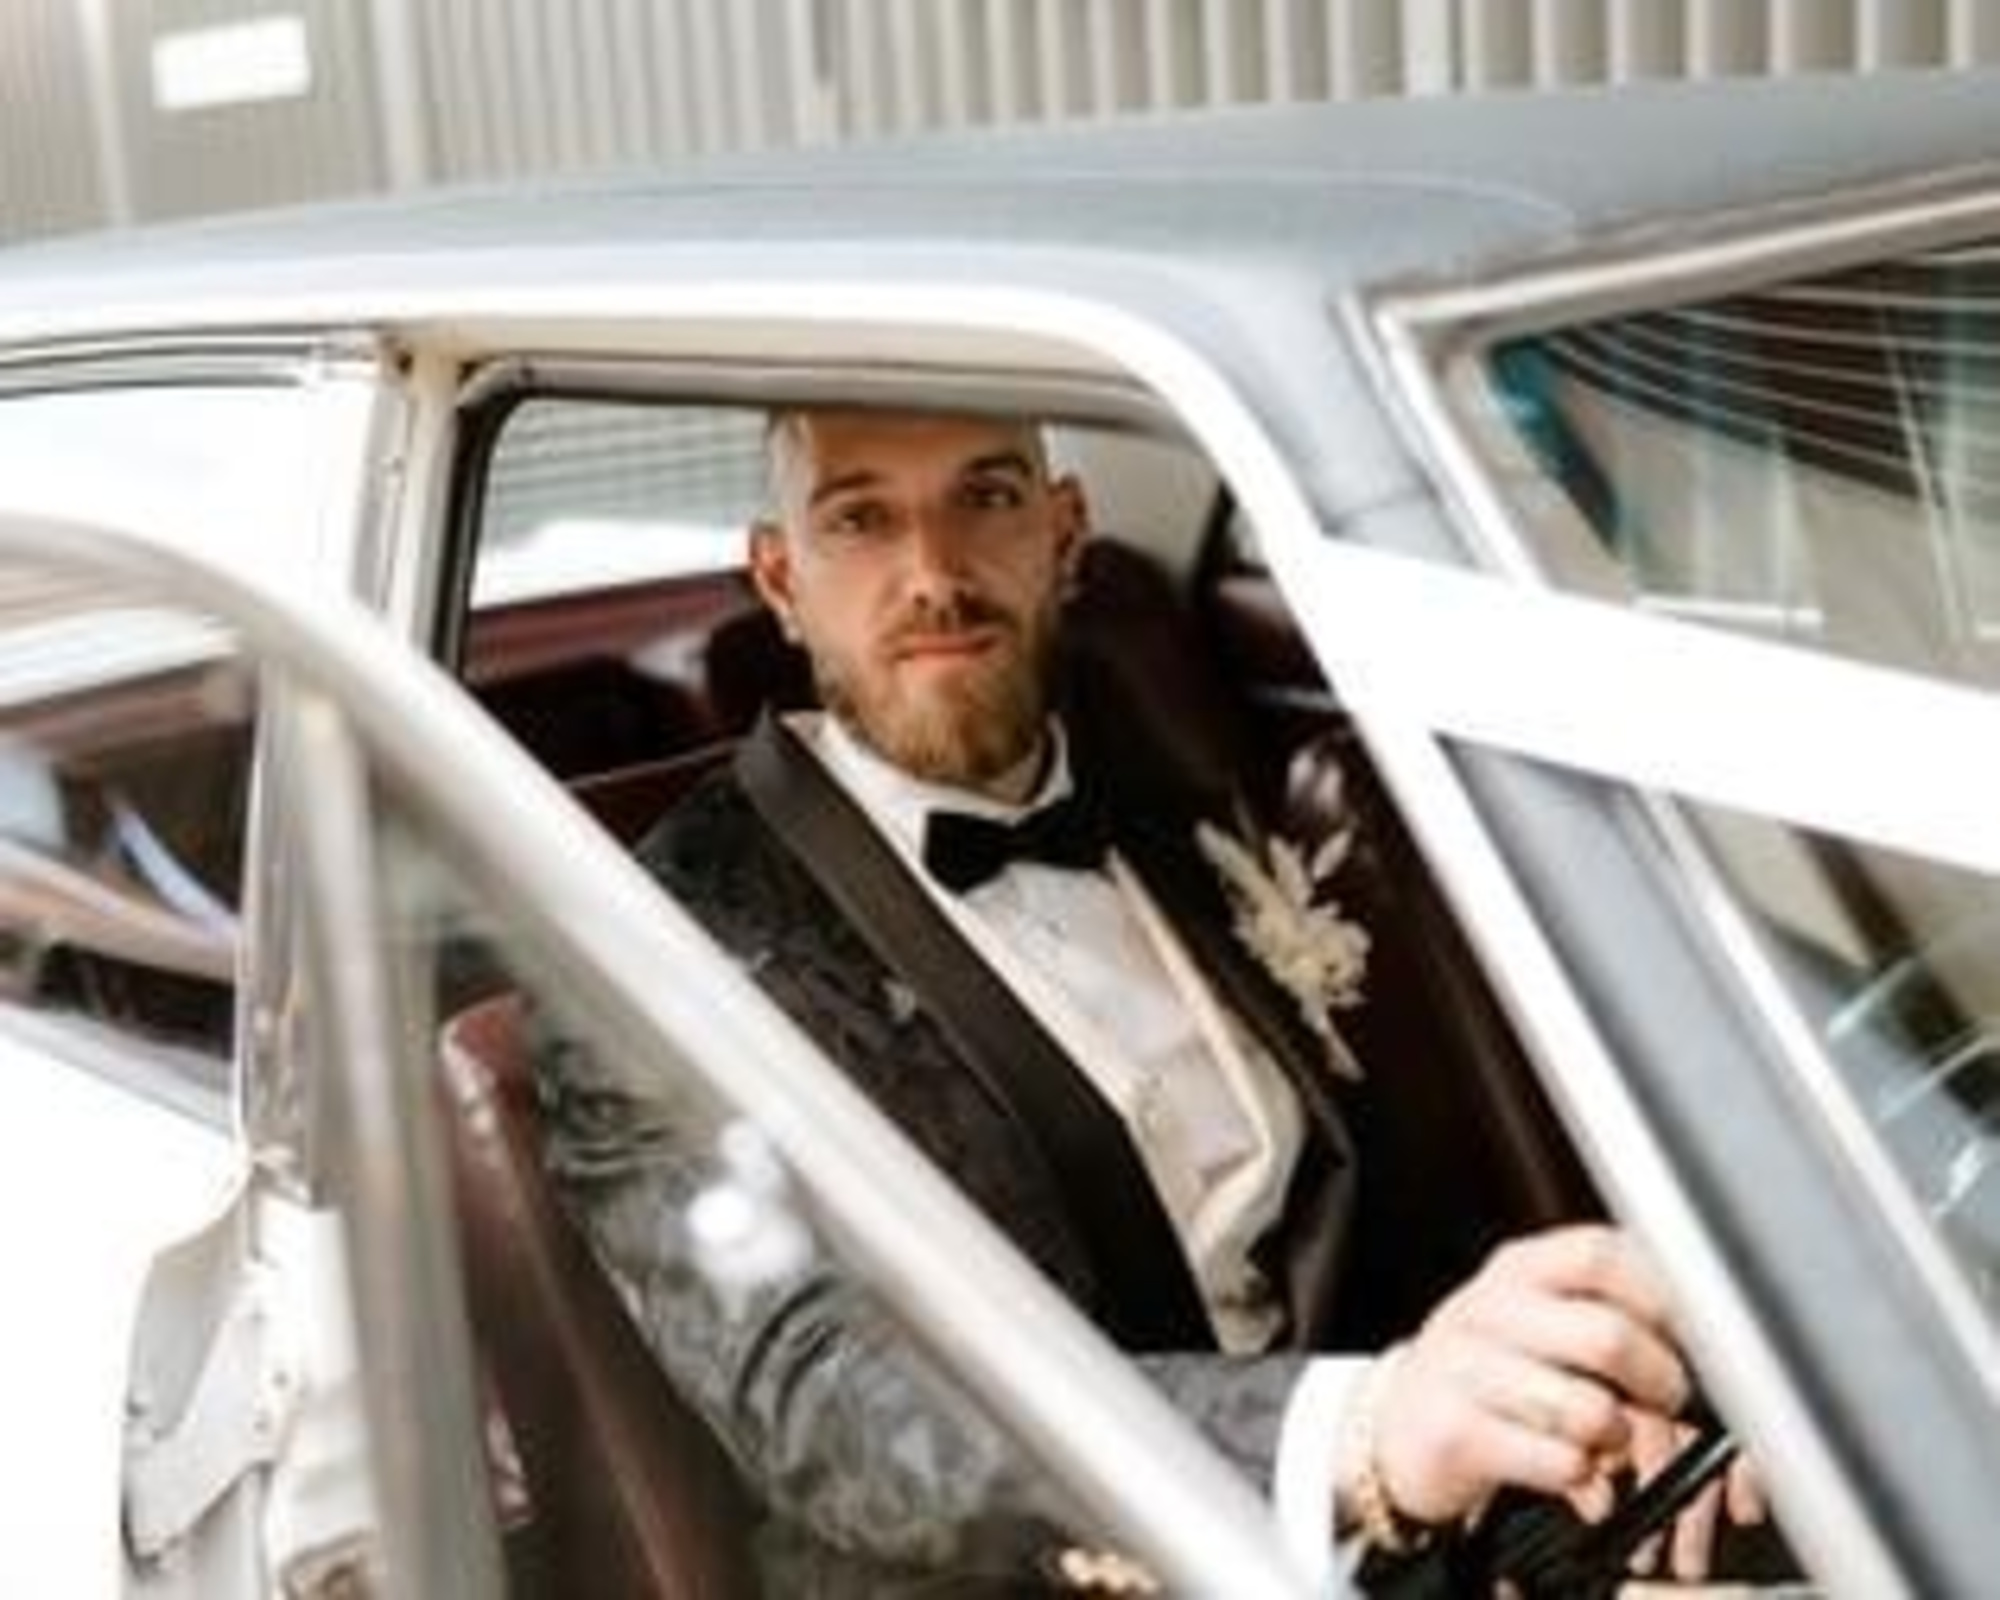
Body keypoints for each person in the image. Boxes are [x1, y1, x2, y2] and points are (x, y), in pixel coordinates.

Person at [534, 406, 1761, 1594]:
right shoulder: (653, 950)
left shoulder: (1170, 798)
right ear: (780, 579)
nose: (933, 572)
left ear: (1064, 535)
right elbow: (831, 1401)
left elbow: (1355, 1220)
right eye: (858, 520)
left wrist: (1584, 1428)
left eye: (987, 497)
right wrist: (1359, 1429)